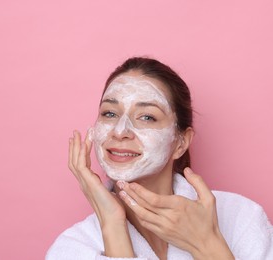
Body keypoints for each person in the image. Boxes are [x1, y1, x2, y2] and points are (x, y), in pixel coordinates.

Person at [46, 57, 273, 259]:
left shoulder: (240, 217)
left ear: (180, 142)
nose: (119, 130)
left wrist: (206, 245)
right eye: (109, 113)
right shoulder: (71, 248)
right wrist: (112, 225)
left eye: (147, 117)